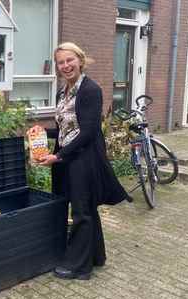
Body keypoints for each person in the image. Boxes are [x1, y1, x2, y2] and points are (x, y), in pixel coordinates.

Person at [29, 42, 130, 280]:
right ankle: (96, 256)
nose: (65, 66)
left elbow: (87, 132)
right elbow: (65, 129)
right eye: (61, 62)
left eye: (69, 60)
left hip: (83, 159)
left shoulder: (90, 90)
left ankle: (80, 267)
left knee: (82, 211)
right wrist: (40, 133)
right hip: (67, 158)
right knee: (85, 209)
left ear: (80, 60)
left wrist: (58, 156)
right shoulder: (63, 92)